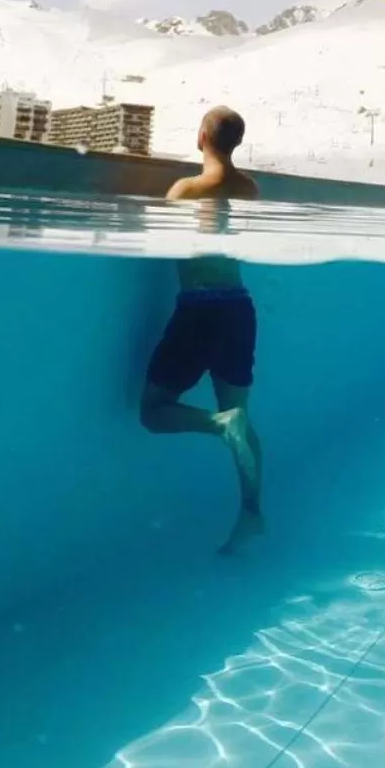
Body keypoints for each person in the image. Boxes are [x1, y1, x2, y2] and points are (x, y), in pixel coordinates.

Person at [140, 106, 264, 554]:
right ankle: (251, 513)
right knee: (244, 420)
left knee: (153, 412)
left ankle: (216, 424)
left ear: (200, 138)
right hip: (239, 307)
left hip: (198, 309)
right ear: (237, 142)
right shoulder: (250, 189)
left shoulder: (186, 190)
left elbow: (157, 239)